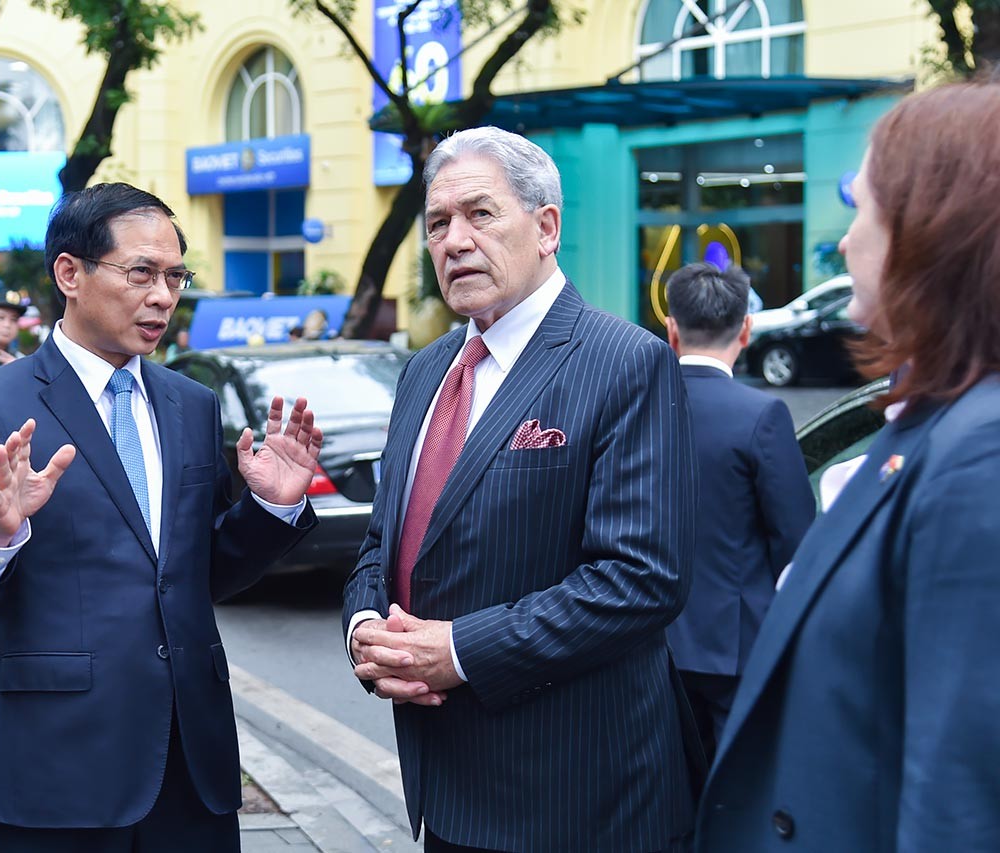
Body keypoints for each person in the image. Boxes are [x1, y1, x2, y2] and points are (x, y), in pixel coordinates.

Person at [0, 182, 323, 852]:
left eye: (174, 276)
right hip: (56, 771)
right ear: (70, 273)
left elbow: (194, 576)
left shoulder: (190, 402)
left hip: (192, 768)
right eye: (141, 273)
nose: (163, 295)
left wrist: (272, 507)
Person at [344, 127, 701, 852]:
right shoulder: (424, 371)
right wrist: (365, 633)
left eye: (480, 214)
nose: (454, 240)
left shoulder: (624, 362)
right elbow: (382, 543)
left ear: (546, 228)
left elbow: (641, 578)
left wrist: (462, 650)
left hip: (574, 797)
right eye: (438, 223)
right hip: (444, 783)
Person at [697, 82, 1000, 851]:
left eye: (861, 209)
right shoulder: (929, 417)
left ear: (928, 232)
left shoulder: (980, 455)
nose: (844, 240)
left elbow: (957, 799)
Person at [662, 262, 815, 760]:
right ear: (746, 329)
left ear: (671, 328)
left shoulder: (636, 409)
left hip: (649, 644)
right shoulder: (761, 416)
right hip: (736, 647)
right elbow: (795, 540)